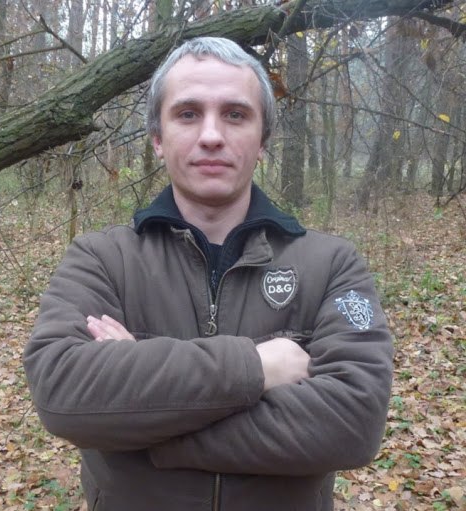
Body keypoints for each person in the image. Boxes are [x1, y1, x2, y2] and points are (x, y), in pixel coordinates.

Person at [24, 37, 393, 511]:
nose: (212, 135)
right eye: (188, 113)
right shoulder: (102, 259)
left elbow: (354, 424)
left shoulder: (331, 264)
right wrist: (257, 367)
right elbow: (62, 393)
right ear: (158, 139)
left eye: (235, 114)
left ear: (262, 142)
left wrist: (147, 422)